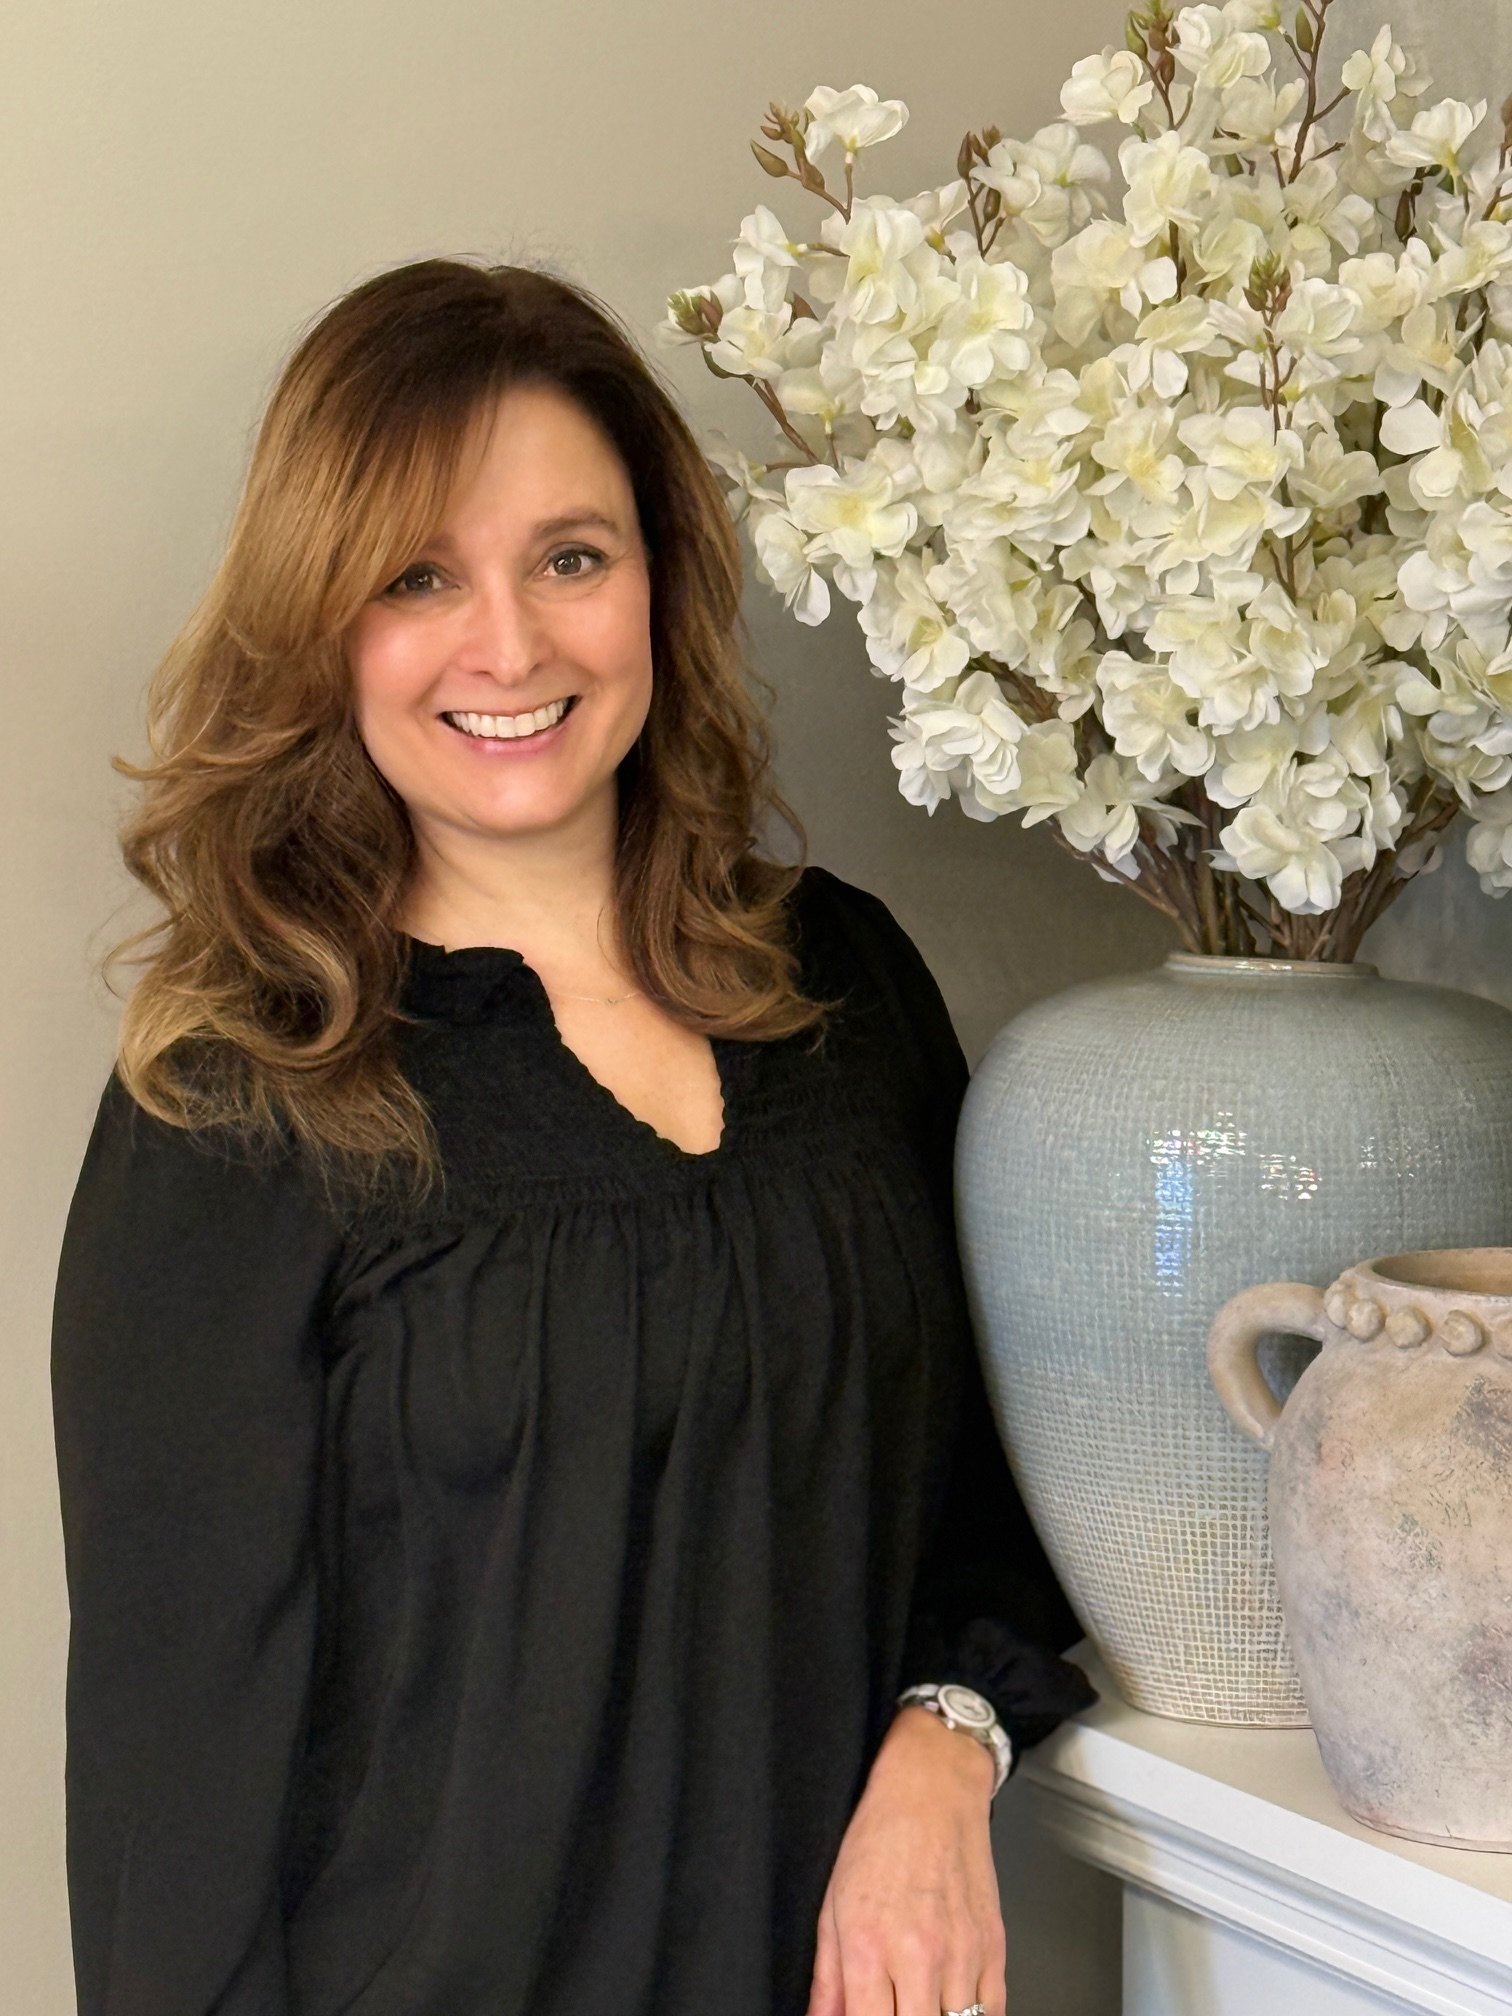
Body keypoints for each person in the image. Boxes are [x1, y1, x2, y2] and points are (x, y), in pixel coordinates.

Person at [49, 256, 1095, 2016]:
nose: (511, 646)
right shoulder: (244, 1094)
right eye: (417, 578)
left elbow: (987, 1511)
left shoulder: (838, 986)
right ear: (323, 626)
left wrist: (946, 1748)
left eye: (570, 558)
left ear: (659, 580)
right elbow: (176, 1779)